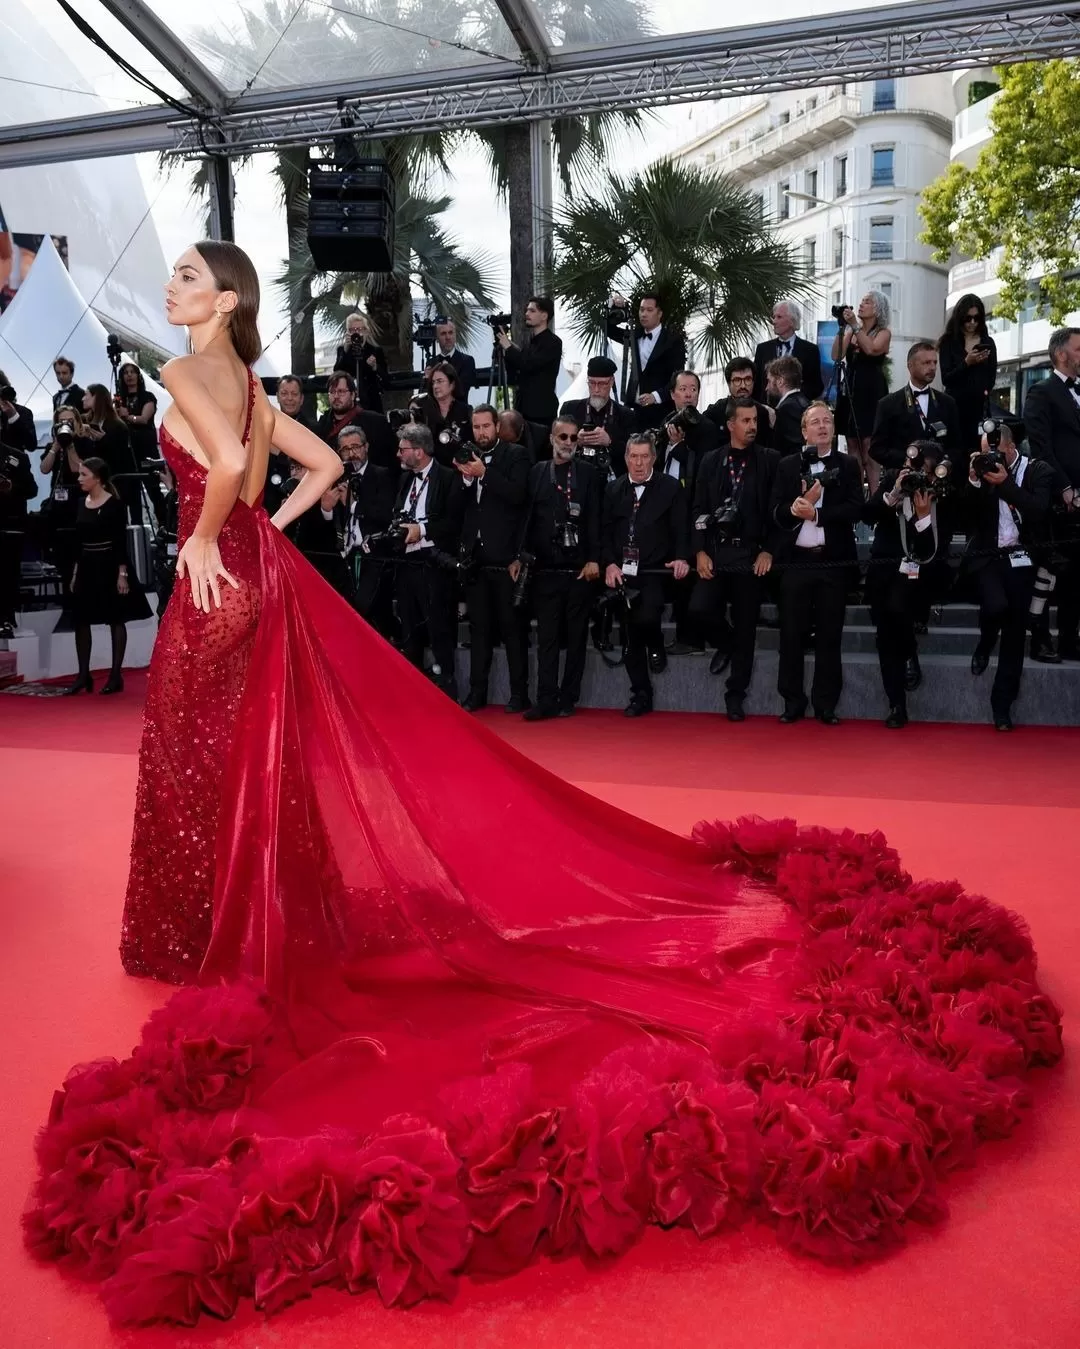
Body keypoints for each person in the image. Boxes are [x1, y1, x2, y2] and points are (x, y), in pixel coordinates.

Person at [26, 240, 1062, 1331]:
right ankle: (246, 914)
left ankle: (202, 930)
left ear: (226, 298)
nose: (178, 286)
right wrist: (261, 541)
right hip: (262, 580)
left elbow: (234, 476)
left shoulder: (196, 372)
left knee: (202, 758)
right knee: (257, 761)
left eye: (192, 275)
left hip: (215, 582)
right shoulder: (238, 381)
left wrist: (206, 539)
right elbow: (321, 468)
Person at [769, 401, 863, 724]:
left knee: (829, 636)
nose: (822, 426)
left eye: (827, 421)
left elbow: (855, 509)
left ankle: (826, 704)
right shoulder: (787, 465)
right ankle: (792, 702)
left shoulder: (849, 465)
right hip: (795, 563)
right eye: (815, 422)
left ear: (833, 429)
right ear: (803, 430)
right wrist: (795, 510)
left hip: (832, 563)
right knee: (790, 635)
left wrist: (818, 515)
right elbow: (776, 512)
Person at [689, 398, 780, 721]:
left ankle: (735, 694)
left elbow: (776, 513)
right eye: (745, 421)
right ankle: (725, 644)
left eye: (755, 420)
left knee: (746, 628)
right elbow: (698, 509)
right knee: (699, 608)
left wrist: (768, 550)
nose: (752, 426)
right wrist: (699, 549)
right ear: (730, 425)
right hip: (715, 551)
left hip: (751, 555)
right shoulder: (711, 461)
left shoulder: (770, 460)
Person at [965, 420, 1054, 730]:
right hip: (988, 557)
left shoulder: (1037, 471)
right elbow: (966, 517)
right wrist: (975, 481)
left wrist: (1005, 484)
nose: (992, 454)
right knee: (995, 607)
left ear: (1011, 446)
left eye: (997, 447)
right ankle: (986, 640)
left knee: (1016, 632)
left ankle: (1002, 706)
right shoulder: (983, 467)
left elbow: (1038, 510)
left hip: (1022, 557)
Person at [864, 440, 956, 729]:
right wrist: (892, 495)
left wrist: (924, 518)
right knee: (884, 632)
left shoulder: (942, 492)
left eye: (923, 474)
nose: (916, 478)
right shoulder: (893, 478)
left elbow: (934, 552)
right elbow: (867, 515)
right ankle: (896, 704)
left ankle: (907, 652)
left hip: (921, 574)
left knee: (897, 609)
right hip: (884, 567)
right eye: (912, 469)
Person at [602, 433, 690, 717]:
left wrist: (681, 557)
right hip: (621, 573)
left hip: (655, 570)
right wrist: (609, 564)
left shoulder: (671, 488)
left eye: (644, 457)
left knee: (648, 617)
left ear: (653, 458)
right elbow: (602, 532)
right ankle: (640, 694)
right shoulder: (613, 490)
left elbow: (680, 527)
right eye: (633, 456)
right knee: (629, 635)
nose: (638, 463)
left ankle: (656, 643)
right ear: (626, 458)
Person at [520, 415, 602, 719]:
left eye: (573, 438)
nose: (568, 443)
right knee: (547, 638)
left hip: (580, 570)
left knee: (577, 636)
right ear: (552, 439)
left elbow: (596, 518)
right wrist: (522, 555)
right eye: (562, 437)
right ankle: (545, 699)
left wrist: (595, 558)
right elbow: (527, 519)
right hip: (545, 570)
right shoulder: (538, 472)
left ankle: (569, 697)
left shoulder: (589, 474)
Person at [458, 404, 532, 713]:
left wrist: (484, 473)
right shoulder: (466, 456)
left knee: (512, 628)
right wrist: (465, 480)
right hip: (474, 558)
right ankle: (477, 693)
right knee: (479, 630)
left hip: (505, 558)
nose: (481, 432)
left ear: (497, 427)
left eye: (486, 426)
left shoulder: (516, 456)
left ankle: (519, 695)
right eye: (476, 427)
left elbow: (518, 496)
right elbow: (458, 506)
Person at [63, 456, 152, 695]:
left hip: (110, 564)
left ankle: (115, 676)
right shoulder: (80, 503)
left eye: (84, 474)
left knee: (115, 618)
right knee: (81, 619)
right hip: (86, 565)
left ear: (98, 478)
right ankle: (83, 675)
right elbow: (78, 542)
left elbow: (120, 542)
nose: (79, 478)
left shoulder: (115, 505)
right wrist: (74, 573)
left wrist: (121, 574)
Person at [390, 421, 461, 697]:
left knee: (438, 628)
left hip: (433, 565)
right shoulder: (405, 478)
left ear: (419, 451)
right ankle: (413, 689)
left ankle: (447, 689)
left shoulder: (447, 477)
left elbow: (453, 523)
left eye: (403, 449)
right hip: (406, 564)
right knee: (408, 628)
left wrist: (422, 530)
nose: (398, 454)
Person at [1023, 327, 1080, 661]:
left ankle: (1071, 640)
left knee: (1078, 577)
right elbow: (1041, 446)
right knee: (1049, 572)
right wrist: (1064, 487)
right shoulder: (1041, 392)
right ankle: (1040, 639)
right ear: (1062, 354)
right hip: (1057, 499)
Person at [657, 370, 718, 656]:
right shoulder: (664, 425)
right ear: (673, 394)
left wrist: (681, 446)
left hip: (693, 511)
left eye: (694, 389)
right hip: (664, 513)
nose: (689, 394)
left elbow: (706, 468)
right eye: (683, 389)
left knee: (689, 577)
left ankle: (692, 639)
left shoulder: (705, 428)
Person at [869, 341, 963, 484]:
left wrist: (940, 463)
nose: (932, 368)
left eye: (934, 362)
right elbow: (877, 449)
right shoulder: (888, 404)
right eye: (926, 363)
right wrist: (911, 460)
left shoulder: (947, 403)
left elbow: (957, 447)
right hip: (901, 483)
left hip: (939, 483)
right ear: (910, 366)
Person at [831, 290, 892, 492]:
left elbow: (872, 349)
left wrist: (856, 326)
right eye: (862, 300)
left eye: (867, 302)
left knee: (869, 444)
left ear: (877, 308)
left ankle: (874, 495)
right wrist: (844, 328)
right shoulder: (851, 331)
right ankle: (856, 494)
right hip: (851, 387)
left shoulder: (883, 332)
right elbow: (836, 355)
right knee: (852, 443)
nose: (861, 304)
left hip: (871, 389)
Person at [337, 424, 396, 634]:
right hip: (346, 555)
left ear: (366, 447)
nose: (352, 454)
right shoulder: (337, 476)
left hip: (374, 556)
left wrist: (352, 504)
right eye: (345, 449)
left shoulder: (382, 475)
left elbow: (386, 515)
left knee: (366, 611)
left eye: (356, 447)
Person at [606, 291, 686, 430]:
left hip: (661, 410)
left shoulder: (673, 340)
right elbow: (609, 330)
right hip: (635, 410)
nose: (644, 314)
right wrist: (614, 308)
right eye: (641, 310)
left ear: (659, 313)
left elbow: (677, 378)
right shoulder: (635, 335)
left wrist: (655, 396)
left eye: (649, 310)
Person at [40, 405, 93, 604]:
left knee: (79, 548)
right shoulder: (53, 444)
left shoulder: (83, 443)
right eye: (62, 421)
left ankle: (81, 593)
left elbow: (78, 469)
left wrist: (70, 445)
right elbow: (44, 469)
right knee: (61, 549)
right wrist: (55, 446)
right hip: (59, 503)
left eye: (70, 421)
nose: (66, 425)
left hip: (79, 501)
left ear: (77, 423)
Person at [558, 354, 635, 480]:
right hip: (575, 478)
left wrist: (609, 442)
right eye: (592, 383)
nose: (596, 389)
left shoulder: (626, 415)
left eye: (602, 384)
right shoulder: (569, 409)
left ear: (611, 382)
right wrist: (575, 440)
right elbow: (555, 444)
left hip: (612, 482)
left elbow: (634, 452)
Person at [937, 293, 999, 450]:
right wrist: (967, 363)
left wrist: (982, 390)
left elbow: (991, 377)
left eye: (976, 318)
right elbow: (947, 378)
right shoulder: (948, 342)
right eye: (968, 318)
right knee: (956, 453)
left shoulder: (987, 342)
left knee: (979, 453)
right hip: (955, 407)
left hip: (979, 409)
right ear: (960, 317)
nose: (972, 322)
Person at [498, 295, 562, 428]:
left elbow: (529, 364)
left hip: (541, 413)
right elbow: (516, 372)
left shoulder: (553, 342)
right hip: (522, 410)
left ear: (544, 316)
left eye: (532, 311)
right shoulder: (529, 345)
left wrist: (509, 348)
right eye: (527, 310)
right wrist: (506, 350)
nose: (527, 314)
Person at [0, 415, 36, 638]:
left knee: (7, 574)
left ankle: (5, 617)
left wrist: (11, 486)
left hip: (9, 525)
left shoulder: (17, 456)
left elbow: (31, 489)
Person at [316, 370, 395, 469]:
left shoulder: (375, 422)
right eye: (332, 392)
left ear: (353, 395)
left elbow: (389, 463)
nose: (336, 396)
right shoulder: (321, 425)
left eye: (341, 391)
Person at [753, 299, 823, 403]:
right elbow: (756, 383)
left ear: (792, 321)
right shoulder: (762, 349)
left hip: (797, 413)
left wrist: (795, 398)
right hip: (766, 411)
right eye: (774, 317)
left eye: (779, 317)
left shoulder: (810, 350)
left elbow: (816, 386)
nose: (774, 321)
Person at [703, 357, 773, 448]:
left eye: (747, 379)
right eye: (737, 380)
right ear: (728, 383)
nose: (743, 386)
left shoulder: (762, 412)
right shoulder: (716, 411)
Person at [411, 360, 473, 462]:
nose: (435, 386)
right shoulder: (424, 410)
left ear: (452, 384)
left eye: (440, 381)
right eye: (433, 382)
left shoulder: (465, 411)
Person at [333, 311, 388, 413]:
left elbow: (385, 379)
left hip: (371, 401)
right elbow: (336, 373)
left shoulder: (375, 350)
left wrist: (375, 367)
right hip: (349, 402)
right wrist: (345, 351)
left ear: (366, 331)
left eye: (359, 329)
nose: (356, 333)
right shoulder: (343, 350)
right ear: (348, 332)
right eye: (352, 330)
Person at [765, 356, 811, 457]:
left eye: (768, 381)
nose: (766, 388)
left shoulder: (787, 409)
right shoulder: (805, 401)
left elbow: (794, 451)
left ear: (780, 381)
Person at [116, 361, 159, 466]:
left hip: (145, 443)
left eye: (132, 372)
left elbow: (144, 419)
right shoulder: (120, 399)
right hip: (127, 445)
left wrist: (128, 417)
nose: (129, 375)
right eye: (126, 373)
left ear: (138, 376)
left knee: (149, 476)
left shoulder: (147, 396)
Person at [427, 316, 476, 394]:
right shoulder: (431, 363)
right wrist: (427, 380)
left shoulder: (467, 361)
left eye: (450, 333)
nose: (448, 337)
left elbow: (461, 391)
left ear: (455, 335)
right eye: (443, 333)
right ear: (437, 338)